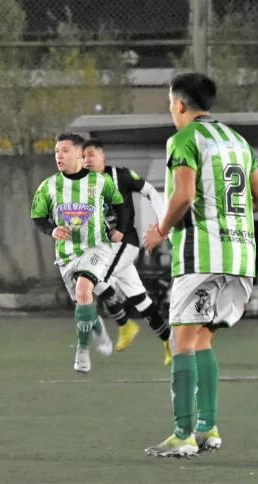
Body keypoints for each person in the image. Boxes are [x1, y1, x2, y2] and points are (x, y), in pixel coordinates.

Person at [143, 72, 258, 457]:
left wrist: (159, 231)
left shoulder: (183, 139)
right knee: (202, 339)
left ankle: (182, 435)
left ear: (179, 104)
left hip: (201, 256)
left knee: (181, 341)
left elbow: (182, 196)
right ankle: (207, 427)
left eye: (170, 102)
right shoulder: (238, 141)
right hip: (241, 256)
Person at [31, 133, 123, 374]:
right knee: (83, 302)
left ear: (80, 154)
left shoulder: (100, 182)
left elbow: (120, 205)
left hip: (96, 248)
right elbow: (37, 217)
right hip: (67, 256)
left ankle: (82, 350)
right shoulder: (49, 186)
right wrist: (52, 231)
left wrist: (120, 229)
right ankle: (97, 327)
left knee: (84, 290)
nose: (58, 155)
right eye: (56, 151)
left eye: (64, 150)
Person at [82, 138, 172, 365]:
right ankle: (169, 341)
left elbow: (150, 191)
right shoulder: (83, 184)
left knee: (93, 278)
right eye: (83, 156)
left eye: (91, 154)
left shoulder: (120, 175)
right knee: (140, 298)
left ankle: (124, 323)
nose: (87, 160)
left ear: (102, 156)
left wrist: (162, 225)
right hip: (105, 248)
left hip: (124, 244)